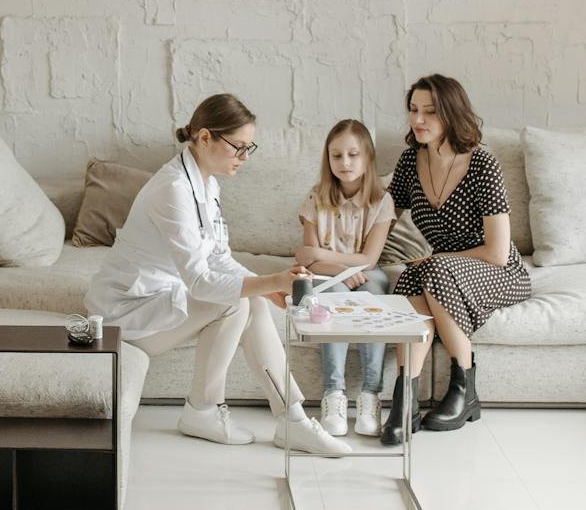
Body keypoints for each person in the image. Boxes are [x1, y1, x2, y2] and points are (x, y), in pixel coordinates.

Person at [86, 93, 349, 457]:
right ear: (205, 137)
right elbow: (200, 282)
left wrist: (266, 287)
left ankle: (293, 419)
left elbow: (219, 258)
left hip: (162, 298)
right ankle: (204, 410)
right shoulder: (172, 190)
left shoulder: (207, 183)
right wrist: (272, 281)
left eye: (248, 148)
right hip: (129, 314)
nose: (244, 157)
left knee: (248, 301)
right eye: (238, 147)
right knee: (234, 304)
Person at [382, 74, 530, 445]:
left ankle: (465, 388)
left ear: (451, 114)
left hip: (498, 270)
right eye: (414, 110)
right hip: (442, 270)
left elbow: (497, 251)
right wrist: (352, 259)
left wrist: (436, 259)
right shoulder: (409, 161)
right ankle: (406, 399)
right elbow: (384, 218)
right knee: (410, 279)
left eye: (430, 112)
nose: (418, 119)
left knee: (430, 268)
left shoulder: (483, 165)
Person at [294, 119, 394, 437]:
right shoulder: (316, 197)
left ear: (367, 158)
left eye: (353, 155)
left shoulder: (381, 201)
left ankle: (370, 394)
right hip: (330, 276)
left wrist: (322, 254)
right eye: (337, 156)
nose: (345, 163)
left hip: (367, 274)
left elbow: (368, 260)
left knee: (374, 296)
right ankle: (333, 393)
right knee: (331, 299)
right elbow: (307, 259)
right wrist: (335, 267)